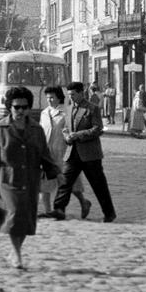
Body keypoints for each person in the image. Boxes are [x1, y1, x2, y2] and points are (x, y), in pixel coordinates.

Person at [0, 86, 61, 270]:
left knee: (25, 219)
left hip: (30, 179)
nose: (21, 111)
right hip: (7, 179)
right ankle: (17, 254)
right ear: (10, 106)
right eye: (17, 107)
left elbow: (44, 153)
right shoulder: (0, 127)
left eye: (24, 107)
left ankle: (15, 250)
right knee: (14, 215)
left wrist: (56, 173)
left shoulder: (36, 129)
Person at [47, 80, 117, 223]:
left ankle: (109, 213)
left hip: (90, 155)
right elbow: (66, 128)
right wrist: (67, 136)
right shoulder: (69, 109)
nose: (70, 97)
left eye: (73, 94)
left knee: (99, 185)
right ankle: (59, 210)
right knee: (65, 182)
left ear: (81, 93)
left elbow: (98, 129)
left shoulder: (92, 108)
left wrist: (78, 135)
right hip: (72, 153)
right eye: (69, 95)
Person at [38, 87, 92, 218]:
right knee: (44, 184)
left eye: (52, 97)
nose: (49, 100)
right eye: (48, 98)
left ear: (59, 98)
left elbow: (70, 129)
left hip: (63, 153)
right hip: (47, 154)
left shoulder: (66, 113)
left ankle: (84, 202)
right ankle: (48, 210)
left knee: (69, 183)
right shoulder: (44, 113)